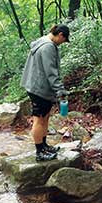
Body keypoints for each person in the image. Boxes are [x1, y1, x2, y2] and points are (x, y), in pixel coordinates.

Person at [21, 24, 71, 161]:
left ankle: (44, 146)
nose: (62, 43)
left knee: (45, 117)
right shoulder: (48, 47)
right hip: (39, 88)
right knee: (39, 119)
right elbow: (51, 72)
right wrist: (60, 90)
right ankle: (39, 152)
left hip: (39, 86)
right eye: (64, 40)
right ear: (60, 34)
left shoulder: (42, 41)